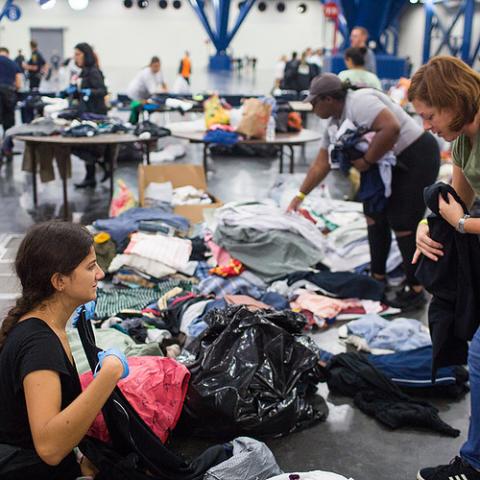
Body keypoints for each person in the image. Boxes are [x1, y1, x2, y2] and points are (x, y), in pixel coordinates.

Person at [287, 73, 440, 310]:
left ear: (329, 99)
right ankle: (377, 278)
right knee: (373, 215)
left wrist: (367, 161)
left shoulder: (359, 102)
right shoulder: (333, 124)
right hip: (384, 163)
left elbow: (391, 127)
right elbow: (322, 163)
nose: (312, 108)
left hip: (415, 155)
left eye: (315, 102)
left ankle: (416, 288)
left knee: (403, 222)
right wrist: (300, 195)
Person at [0, 221, 127, 479]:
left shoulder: (45, 326)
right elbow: (50, 448)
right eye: (91, 267)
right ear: (59, 281)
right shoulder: (40, 347)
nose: (100, 274)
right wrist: (108, 376)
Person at [408, 55, 480, 480]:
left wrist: (463, 224)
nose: (427, 125)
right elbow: (455, 198)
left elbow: (462, 216)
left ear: (454, 99)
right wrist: (425, 223)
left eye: (430, 114)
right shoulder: (463, 141)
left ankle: (473, 463)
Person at [69, 42, 108, 189]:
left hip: (95, 114)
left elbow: (102, 91)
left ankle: (102, 166)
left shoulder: (93, 72)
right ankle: (91, 176)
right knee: (86, 147)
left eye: (78, 54)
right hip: (85, 113)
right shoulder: (83, 72)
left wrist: (90, 92)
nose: (75, 57)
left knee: (89, 147)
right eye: (75, 54)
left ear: (86, 55)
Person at [0, 47, 22, 133]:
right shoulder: (13, 63)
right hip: (8, 91)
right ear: (7, 53)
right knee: (8, 116)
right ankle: (6, 139)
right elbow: (18, 83)